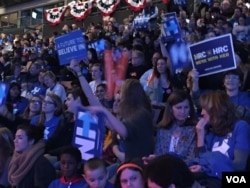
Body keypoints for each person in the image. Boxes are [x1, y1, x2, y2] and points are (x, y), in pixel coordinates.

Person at [70, 59, 155, 161]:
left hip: (138, 166)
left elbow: (125, 132)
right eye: (116, 100)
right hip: (123, 162)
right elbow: (90, 97)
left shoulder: (141, 115)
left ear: (129, 98)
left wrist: (116, 151)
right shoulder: (119, 119)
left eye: (120, 99)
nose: (116, 103)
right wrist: (79, 73)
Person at [189, 90, 250, 179]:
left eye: (205, 108)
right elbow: (200, 160)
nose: (202, 113)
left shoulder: (240, 126)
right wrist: (200, 136)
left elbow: (239, 165)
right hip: (210, 179)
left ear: (216, 109)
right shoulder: (210, 131)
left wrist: (210, 166)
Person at [152, 90, 197, 163]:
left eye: (186, 107)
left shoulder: (194, 129)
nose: (183, 111)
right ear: (170, 109)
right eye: (179, 108)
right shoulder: (162, 129)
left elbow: (191, 159)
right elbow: (158, 154)